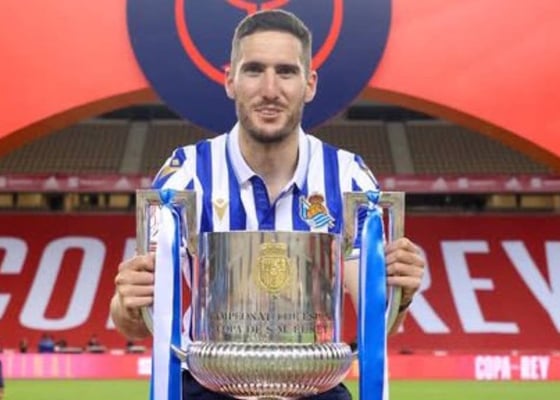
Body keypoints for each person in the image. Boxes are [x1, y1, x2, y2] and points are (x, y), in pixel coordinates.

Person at [111, 9, 425, 400]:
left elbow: (373, 316)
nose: (270, 89)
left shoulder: (348, 176)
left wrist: (398, 292)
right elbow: (134, 322)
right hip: (207, 386)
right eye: (254, 70)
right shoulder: (186, 173)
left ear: (309, 84)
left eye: (286, 72)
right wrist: (128, 300)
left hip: (313, 386)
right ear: (230, 81)